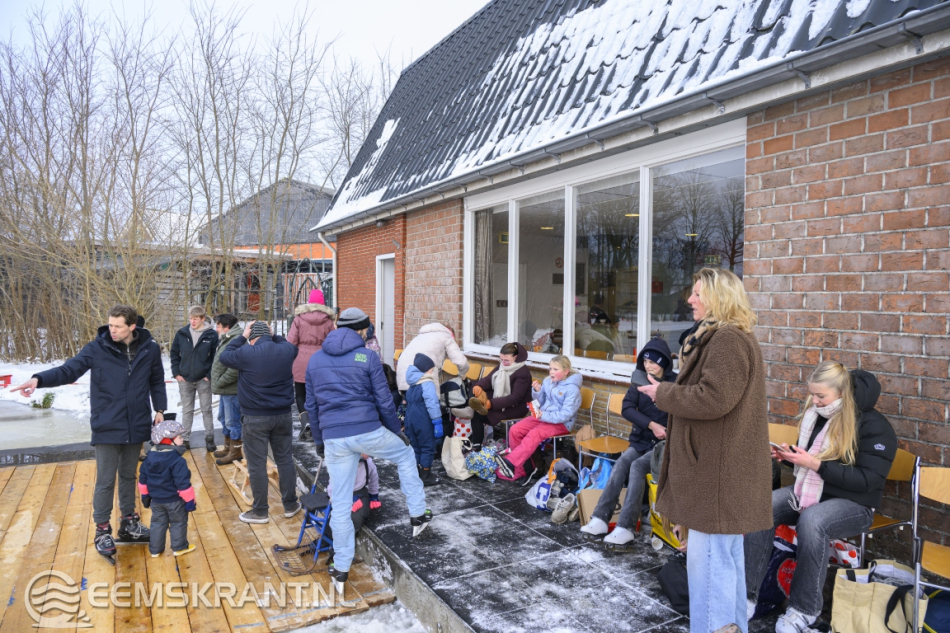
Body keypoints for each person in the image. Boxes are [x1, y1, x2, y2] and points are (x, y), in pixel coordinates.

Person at [638, 267, 772, 633]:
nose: (690, 299)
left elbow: (714, 399)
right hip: (716, 471)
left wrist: (663, 393)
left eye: (698, 293)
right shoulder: (723, 337)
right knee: (723, 564)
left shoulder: (727, 339)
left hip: (716, 475)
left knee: (710, 568)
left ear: (719, 297)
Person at [745, 362, 896, 633]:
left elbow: (868, 480)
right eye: (812, 394)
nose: (814, 401)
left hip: (855, 504)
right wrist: (789, 458)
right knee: (762, 507)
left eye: (821, 396)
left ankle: (804, 610)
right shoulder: (819, 415)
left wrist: (814, 464)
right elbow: (814, 461)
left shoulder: (876, 427)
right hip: (811, 491)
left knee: (813, 522)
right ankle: (747, 596)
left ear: (842, 393)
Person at [10, 305, 165, 563]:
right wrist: (38, 379)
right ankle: (102, 530)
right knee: (106, 479)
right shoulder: (97, 348)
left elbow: (156, 380)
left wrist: (160, 409)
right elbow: (68, 370)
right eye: (110, 325)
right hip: (107, 424)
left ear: (132, 326)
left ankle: (129, 522)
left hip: (136, 423)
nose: (112, 330)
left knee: (129, 475)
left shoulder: (150, 349)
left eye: (118, 326)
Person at [305, 307, 431, 593]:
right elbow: (384, 400)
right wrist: (396, 431)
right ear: (362, 330)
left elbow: (311, 405)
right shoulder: (367, 356)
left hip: (334, 437)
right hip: (367, 431)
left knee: (340, 503)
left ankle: (341, 568)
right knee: (405, 454)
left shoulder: (315, 360)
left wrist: (319, 441)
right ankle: (417, 513)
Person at [580, 337, 675, 549]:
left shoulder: (674, 385)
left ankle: (626, 527)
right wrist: (651, 425)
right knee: (623, 462)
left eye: (653, 362)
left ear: (664, 363)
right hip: (642, 440)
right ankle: (600, 518)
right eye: (645, 361)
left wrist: (665, 430)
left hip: (665, 446)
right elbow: (627, 408)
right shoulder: (638, 381)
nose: (648, 366)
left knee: (637, 466)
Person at [219, 321, 301, 524]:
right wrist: (273, 335)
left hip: (255, 417)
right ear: (269, 335)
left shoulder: (247, 352)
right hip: (283, 416)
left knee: (256, 464)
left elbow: (224, 356)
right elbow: (288, 345)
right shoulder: (286, 351)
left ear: (251, 337)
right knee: (285, 460)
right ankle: (290, 505)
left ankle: (260, 511)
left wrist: (242, 336)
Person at [495, 355, 582, 482]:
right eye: (550, 368)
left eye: (556, 369)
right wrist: (538, 392)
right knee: (515, 430)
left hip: (562, 423)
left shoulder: (572, 390)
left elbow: (565, 415)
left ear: (566, 371)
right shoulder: (548, 381)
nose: (551, 372)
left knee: (535, 434)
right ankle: (524, 469)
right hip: (543, 416)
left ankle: (511, 462)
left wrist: (543, 415)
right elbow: (541, 402)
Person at [140, 419, 197, 557]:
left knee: (157, 523)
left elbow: (143, 481)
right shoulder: (178, 461)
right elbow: (183, 484)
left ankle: (155, 549)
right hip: (175, 501)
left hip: (156, 501)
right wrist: (190, 501)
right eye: (179, 437)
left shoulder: (148, 459)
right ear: (169, 441)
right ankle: (179, 547)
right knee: (178, 522)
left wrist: (145, 496)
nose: (182, 440)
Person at [463, 342, 531, 452]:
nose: (503, 362)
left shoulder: (523, 373)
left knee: (479, 414)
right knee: (474, 387)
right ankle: (472, 409)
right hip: (501, 400)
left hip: (516, 407)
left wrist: (492, 403)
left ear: (516, 357)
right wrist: (479, 386)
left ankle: (476, 443)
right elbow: (488, 379)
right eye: (501, 359)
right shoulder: (502, 366)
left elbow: (515, 398)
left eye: (506, 360)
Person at [170, 305, 219, 451]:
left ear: (203, 319)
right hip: (185, 379)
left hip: (203, 379)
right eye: (190, 319)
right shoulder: (182, 333)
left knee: (206, 410)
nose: (192, 322)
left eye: (195, 319)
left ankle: (209, 439)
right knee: (187, 410)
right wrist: (176, 373)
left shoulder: (211, 335)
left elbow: (216, 357)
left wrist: (209, 375)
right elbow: (174, 354)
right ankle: (185, 439)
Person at [286, 288, 335, 421]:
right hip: (321, 361)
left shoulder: (298, 319)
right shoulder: (328, 321)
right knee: (319, 393)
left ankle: (305, 421)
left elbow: (291, 342)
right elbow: (333, 344)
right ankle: (317, 420)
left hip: (301, 361)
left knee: (301, 394)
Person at [405, 353, 444, 486]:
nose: (432, 372)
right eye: (431, 369)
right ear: (425, 370)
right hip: (423, 419)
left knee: (415, 446)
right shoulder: (427, 383)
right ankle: (426, 475)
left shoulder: (412, 383)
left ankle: (416, 473)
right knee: (427, 446)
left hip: (411, 419)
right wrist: (437, 421)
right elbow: (432, 403)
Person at [395, 323, 469, 392]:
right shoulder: (447, 336)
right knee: (431, 399)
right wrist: (462, 374)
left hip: (403, 376)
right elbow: (461, 362)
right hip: (422, 378)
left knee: (410, 399)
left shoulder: (421, 336)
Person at [210, 313, 243, 465]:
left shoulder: (236, 340)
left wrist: (220, 381)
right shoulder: (228, 338)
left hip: (231, 389)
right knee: (223, 418)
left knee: (233, 421)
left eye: (218, 326)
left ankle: (235, 452)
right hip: (225, 389)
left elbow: (235, 368)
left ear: (227, 327)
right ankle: (228, 448)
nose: (216, 329)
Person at [325, 455, 381, 538]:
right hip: (341, 494)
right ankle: (327, 538)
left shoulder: (368, 462)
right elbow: (332, 489)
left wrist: (373, 495)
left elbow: (373, 478)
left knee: (357, 514)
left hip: (360, 492)